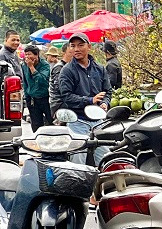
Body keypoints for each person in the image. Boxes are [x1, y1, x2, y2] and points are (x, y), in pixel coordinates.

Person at [59, 32, 111, 163]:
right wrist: (90, 100)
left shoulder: (100, 69)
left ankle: (104, 183)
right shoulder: (67, 71)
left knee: (105, 157)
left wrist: (105, 103)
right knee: (78, 159)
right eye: (73, 46)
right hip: (77, 121)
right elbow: (67, 97)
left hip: (99, 121)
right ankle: (78, 183)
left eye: (80, 45)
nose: (76, 49)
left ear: (89, 46)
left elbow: (107, 91)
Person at [22, 45, 52, 131]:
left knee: (50, 122)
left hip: (45, 98)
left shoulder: (44, 65)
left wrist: (31, 67)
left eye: (29, 54)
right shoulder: (24, 65)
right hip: (32, 99)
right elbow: (25, 82)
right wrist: (27, 97)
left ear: (36, 55)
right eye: (26, 54)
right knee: (36, 125)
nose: (27, 57)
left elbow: (41, 81)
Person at [48, 41, 72, 113]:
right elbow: (59, 88)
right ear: (64, 53)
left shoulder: (71, 67)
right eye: (70, 52)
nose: (74, 55)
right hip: (59, 104)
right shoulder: (59, 67)